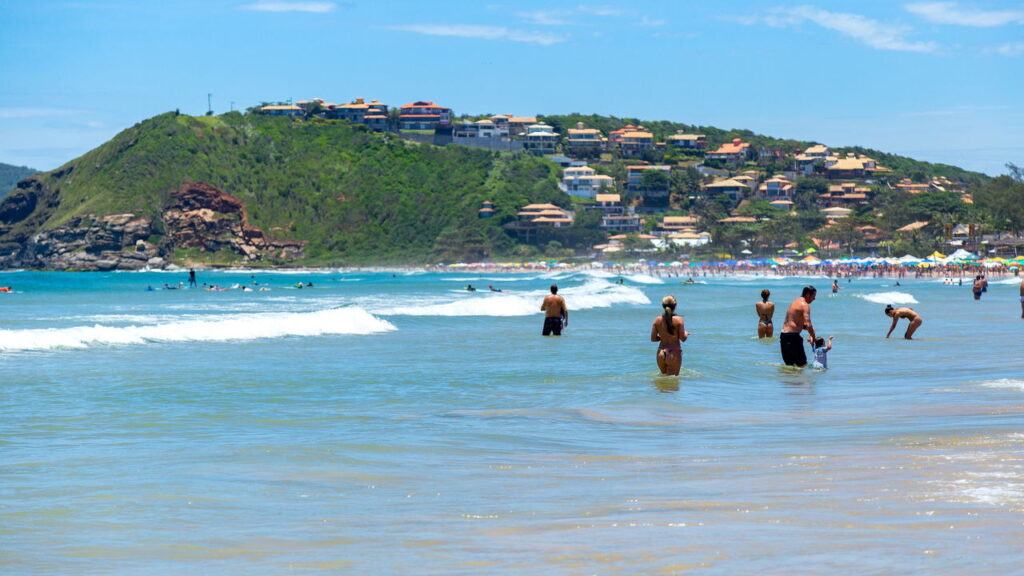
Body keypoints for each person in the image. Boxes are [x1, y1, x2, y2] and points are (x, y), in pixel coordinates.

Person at [651, 295, 689, 376]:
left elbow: (653, 338)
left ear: (663, 306)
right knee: (672, 381)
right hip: (673, 353)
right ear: (675, 306)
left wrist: (664, 337)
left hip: (660, 353)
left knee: (663, 379)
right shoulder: (679, 319)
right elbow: (683, 338)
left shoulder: (657, 319)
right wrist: (686, 333)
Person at [780, 286, 817, 367]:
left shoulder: (794, 302)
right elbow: (808, 324)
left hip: (784, 336)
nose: (814, 299)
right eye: (813, 296)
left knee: (790, 366)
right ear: (808, 294)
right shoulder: (805, 305)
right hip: (793, 337)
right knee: (802, 365)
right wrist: (813, 338)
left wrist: (810, 330)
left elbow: (795, 323)